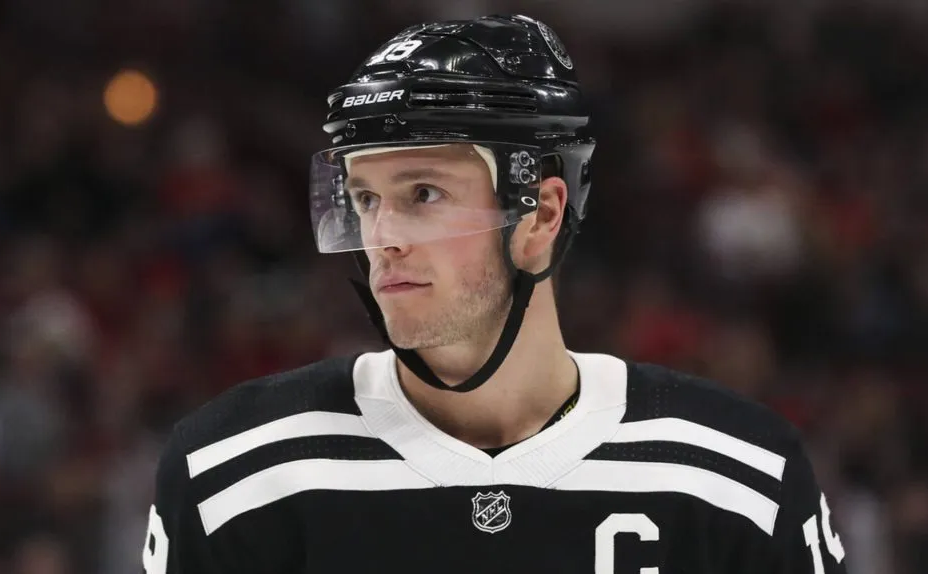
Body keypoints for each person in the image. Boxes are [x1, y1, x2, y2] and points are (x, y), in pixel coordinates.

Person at [142, 14, 849, 573]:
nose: (382, 235)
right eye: (363, 197)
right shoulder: (232, 476)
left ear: (541, 215)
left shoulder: (742, 478)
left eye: (422, 194)